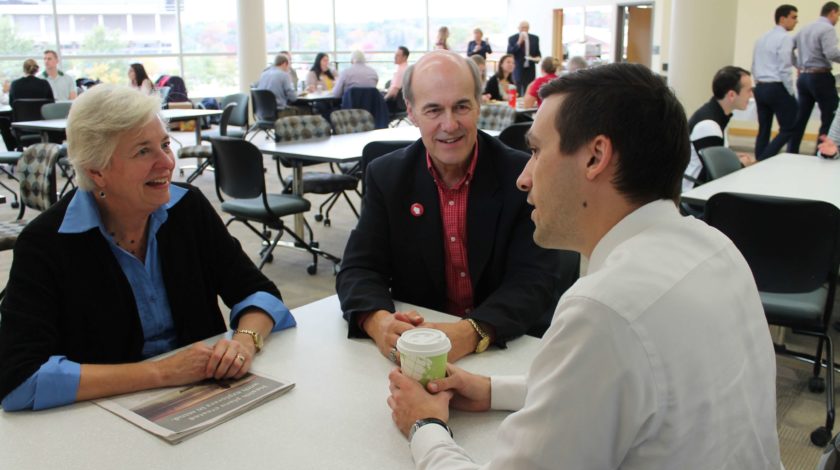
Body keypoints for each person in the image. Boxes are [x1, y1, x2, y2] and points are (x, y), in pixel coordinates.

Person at [386, 62, 782, 470]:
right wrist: (490, 390)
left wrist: (425, 425)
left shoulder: (605, 309)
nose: (524, 177)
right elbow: (607, 392)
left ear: (595, 157)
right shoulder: (717, 248)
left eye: (537, 151)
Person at [0, 84, 296, 411]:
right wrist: (159, 372)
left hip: (206, 400)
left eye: (165, 144)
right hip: (101, 422)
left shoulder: (188, 209)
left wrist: (244, 341)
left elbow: (260, 293)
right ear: (97, 171)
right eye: (143, 151)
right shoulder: (45, 244)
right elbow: (20, 379)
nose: (166, 162)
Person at [336, 50, 565, 363]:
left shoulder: (521, 176)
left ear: (478, 104)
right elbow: (359, 268)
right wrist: (379, 322)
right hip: (420, 347)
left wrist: (471, 331)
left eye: (461, 107)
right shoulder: (387, 176)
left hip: (507, 347)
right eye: (433, 110)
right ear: (412, 112)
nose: (450, 124)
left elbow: (535, 280)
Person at [683, 66, 756, 191]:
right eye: (748, 91)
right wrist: (742, 164)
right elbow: (717, 172)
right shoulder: (709, 125)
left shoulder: (716, 116)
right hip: (696, 192)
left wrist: (732, 157)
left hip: (702, 187)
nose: (751, 95)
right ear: (732, 95)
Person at [788, 1, 840, 153]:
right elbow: (831, 53)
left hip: (803, 78)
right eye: (838, 15)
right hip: (820, 77)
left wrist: (798, 65)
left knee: (800, 118)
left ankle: (792, 151)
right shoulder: (827, 28)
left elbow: (788, 47)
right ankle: (821, 151)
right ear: (832, 12)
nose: (837, 19)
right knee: (829, 117)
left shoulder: (806, 27)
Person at [752, 4, 799, 160]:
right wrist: (791, 92)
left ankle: (758, 160)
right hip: (776, 86)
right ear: (782, 18)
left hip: (760, 87)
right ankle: (764, 159)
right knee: (790, 126)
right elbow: (784, 66)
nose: (796, 21)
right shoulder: (785, 38)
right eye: (793, 17)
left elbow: (754, 65)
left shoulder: (761, 38)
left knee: (764, 128)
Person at [507, 20, 541, 96]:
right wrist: (519, 42)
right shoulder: (512, 38)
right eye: (522, 28)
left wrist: (538, 58)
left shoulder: (535, 38)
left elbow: (538, 53)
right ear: (518, 28)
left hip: (530, 68)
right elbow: (509, 53)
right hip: (517, 68)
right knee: (517, 91)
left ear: (528, 28)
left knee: (529, 90)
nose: (524, 29)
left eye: (526, 28)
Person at [385, 46, 409, 112]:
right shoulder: (406, 68)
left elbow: (393, 92)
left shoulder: (400, 71)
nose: (395, 57)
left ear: (404, 57)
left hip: (397, 104)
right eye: (395, 55)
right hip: (403, 102)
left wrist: (382, 100)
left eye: (397, 55)